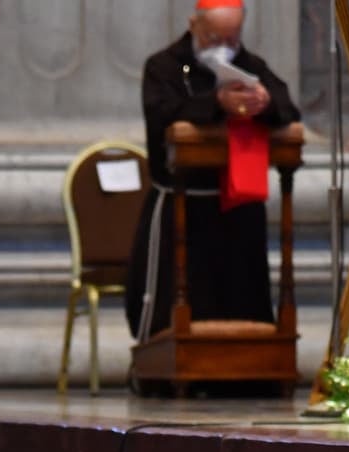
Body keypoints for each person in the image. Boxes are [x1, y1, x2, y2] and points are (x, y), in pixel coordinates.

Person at [125, 0, 301, 341]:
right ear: (194, 25)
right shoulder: (163, 66)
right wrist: (216, 103)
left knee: (241, 301)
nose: (224, 48)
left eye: (231, 39)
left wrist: (265, 103)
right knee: (177, 307)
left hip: (238, 207)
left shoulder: (250, 65)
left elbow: (288, 110)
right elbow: (162, 116)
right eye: (214, 38)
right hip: (183, 207)